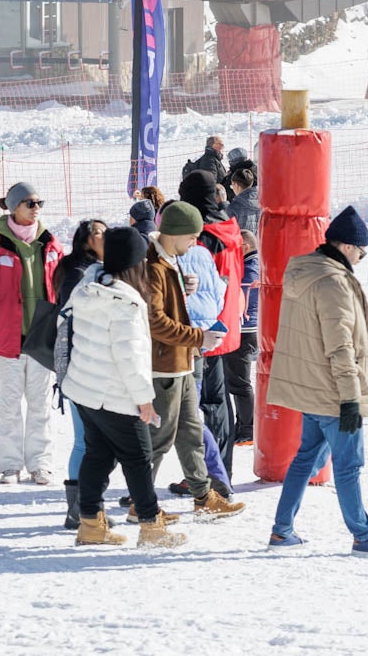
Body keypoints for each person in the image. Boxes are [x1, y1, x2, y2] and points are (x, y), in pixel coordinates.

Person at [267, 207, 368, 556]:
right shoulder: (333, 282)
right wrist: (350, 399)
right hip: (333, 393)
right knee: (349, 466)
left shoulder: (306, 271)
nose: (361, 256)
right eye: (360, 250)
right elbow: (339, 346)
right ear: (344, 246)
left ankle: (282, 530)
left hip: (311, 390)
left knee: (305, 459)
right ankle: (362, 534)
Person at [62, 227, 186, 549]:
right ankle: (151, 526)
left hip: (85, 391)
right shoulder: (125, 304)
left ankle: (90, 523)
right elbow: (129, 358)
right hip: (114, 396)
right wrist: (145, 400)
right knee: (138, 458)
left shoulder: (90, 288)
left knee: (97, 455)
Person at [143, 200, 245, 519]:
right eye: (192, 237)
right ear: (176, 233)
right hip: (164, 364)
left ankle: (203, 496)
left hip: (184, 360)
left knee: (189, 431)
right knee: (161, 438)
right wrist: (199, 338)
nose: (196, 244)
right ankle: (141, 502)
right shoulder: (155, 266)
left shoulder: (172, 261)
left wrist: (184, 293)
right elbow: (155, 321)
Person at [0, 181, 63, 485]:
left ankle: (40, 463)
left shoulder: (50, 244)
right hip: (8, 341)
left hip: (42, 341)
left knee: (40, 406)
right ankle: (9, 464)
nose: (36, 209)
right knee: (9, 407)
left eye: (39, 203)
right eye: (29, 203)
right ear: (13, 207)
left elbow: (63, 288)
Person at [178, 169, 247, 473]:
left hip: (206, 326)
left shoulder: (203, 235)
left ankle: (212, 473)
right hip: (227, 318)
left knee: (204, 402)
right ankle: (220, 469)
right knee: (217, 400)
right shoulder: (228, 226)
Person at [55, 218, 107, 528]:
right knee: (85, 441)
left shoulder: (99, 270)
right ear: (85, 240)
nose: (106, 237)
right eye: (99, 233)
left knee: (92, 441)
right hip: (79, 365)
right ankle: (80, 511)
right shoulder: (77, 274)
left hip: (92, 365)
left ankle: (87, 508)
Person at [227, 229, 262, 445]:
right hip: (248, 329)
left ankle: (248, 429)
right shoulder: (255, 265)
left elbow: (235, 296)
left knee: (239, 382)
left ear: (245, 247)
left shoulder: (249, 270)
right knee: (237, 380)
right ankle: (243, 425)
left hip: (245, 330)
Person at [226, 158, 261, 234]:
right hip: (260, 244)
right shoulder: (264, 204)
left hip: (242, 244)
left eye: (232, 185)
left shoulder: (233, 207)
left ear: (236, 184)